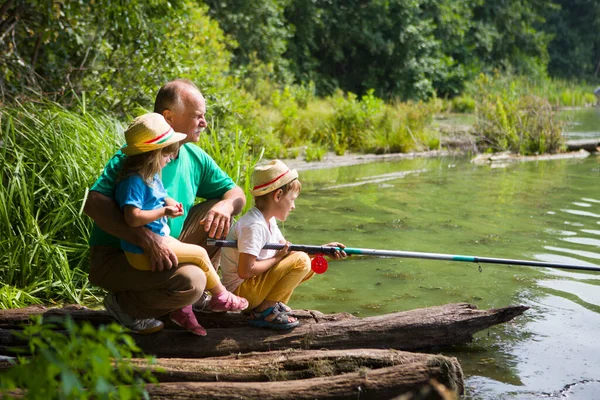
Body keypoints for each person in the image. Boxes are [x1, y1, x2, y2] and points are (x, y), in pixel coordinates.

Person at [84, 79, 246, 334]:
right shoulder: (134, 160)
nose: (204, 123)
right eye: (197, 116)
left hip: (165, 242)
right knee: (193, 282)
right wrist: (145, 238)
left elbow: (236, 194)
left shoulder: (194, 156)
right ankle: (125, 305)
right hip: (121, 257)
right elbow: (93, 204)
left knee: (219, 210)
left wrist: (226, 207)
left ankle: (188, 300)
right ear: (168, 118)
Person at [220, 159, 346, 330]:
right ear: (278, 196)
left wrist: (322, 250)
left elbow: (288, 253)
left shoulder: (268, 221)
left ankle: (268, 305)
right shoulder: (254, 226)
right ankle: (266, 310)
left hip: (252, 287)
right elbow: (245, 270)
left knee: (306, 265)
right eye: (292, 199)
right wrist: (278, 258)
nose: (293, 206)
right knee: (301, 261)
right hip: (241, 291)